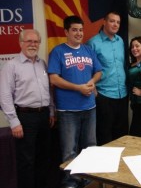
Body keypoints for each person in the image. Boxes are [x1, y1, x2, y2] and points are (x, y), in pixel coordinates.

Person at [48, 15, 102, 188]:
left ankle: (89, 179)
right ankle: (71, 181)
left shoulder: (88, 50)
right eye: (74, 30)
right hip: (68, 110)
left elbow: (99, 71)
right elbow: (54, 79)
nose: (79, 33)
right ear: (66, 32)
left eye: (81, 30)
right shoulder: (58, 52)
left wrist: (93, 81)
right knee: (69, 150)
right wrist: (78, 88)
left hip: (89, 107)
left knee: (90, 147)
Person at [0, 29, 55, 188]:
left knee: (43, 158)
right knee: (26, 161)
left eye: (36, 41)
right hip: (25, 118)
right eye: (29, 41)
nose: (33, 44)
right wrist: (14, 122)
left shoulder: (42, 63)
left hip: (44, 116)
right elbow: (4, 96)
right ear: (21, 43)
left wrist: (51, 111)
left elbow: (48, 90)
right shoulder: (11, 66)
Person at [86, 11, 128, 145]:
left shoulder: (120, 41)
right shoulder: (93, 43)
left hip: (122, 94)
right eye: (112, 21)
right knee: (105, 134)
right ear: (104, 22)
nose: (115, 24)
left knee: (121, 135)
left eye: (118, 22)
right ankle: (107, 166)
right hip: (104, 94)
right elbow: (88, 70)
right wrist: (94, 91)